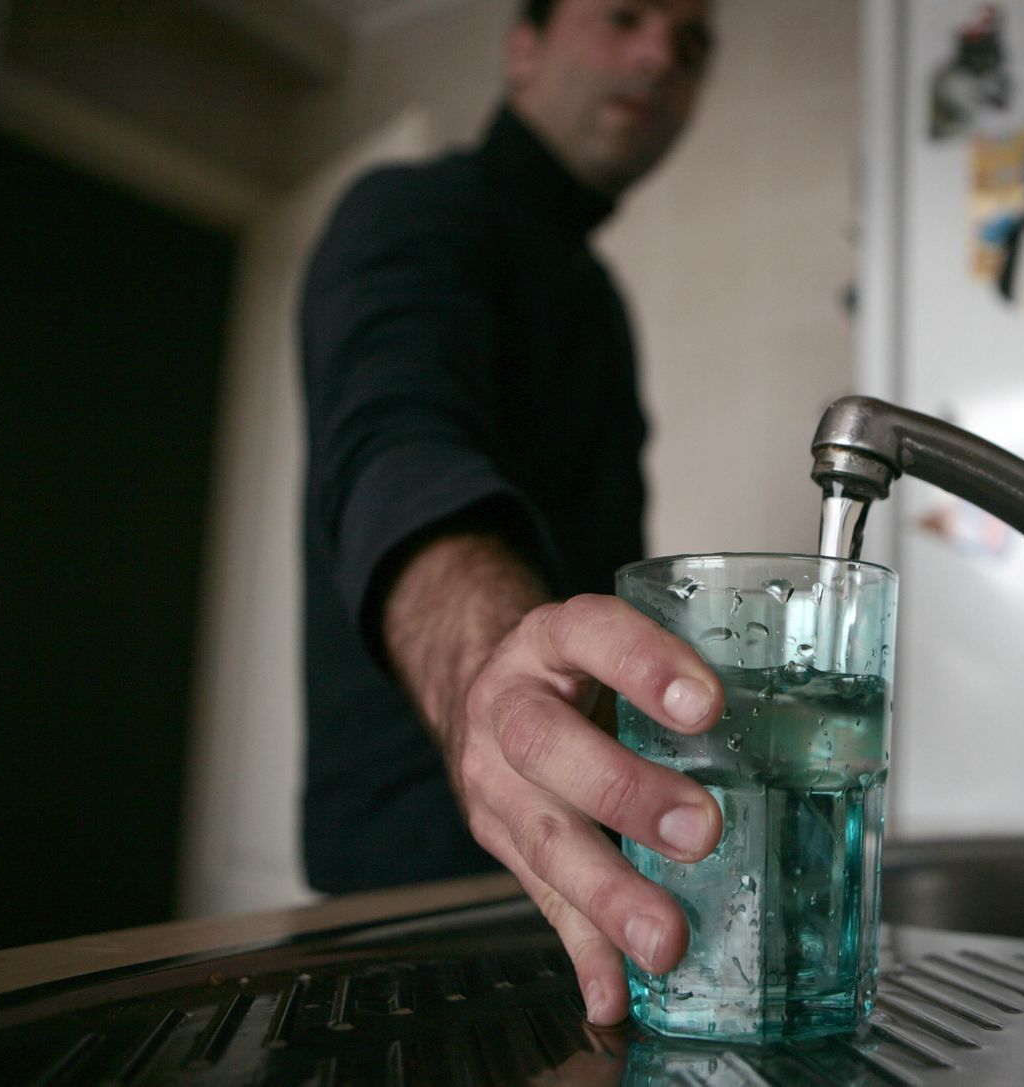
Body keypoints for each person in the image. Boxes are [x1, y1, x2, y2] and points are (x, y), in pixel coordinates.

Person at [298, 0, 723, 1026]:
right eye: (623, 14)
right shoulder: (405, 212)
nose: (661, 53)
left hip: (590, 898)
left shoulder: (598, 306)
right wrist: (495, 680)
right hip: (408, 905)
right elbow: (396, 445)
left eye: (692, 42)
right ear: (521, 44)